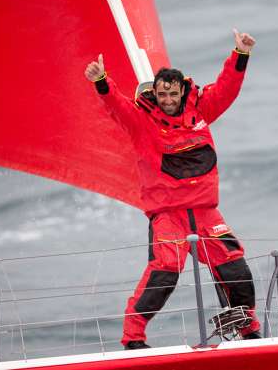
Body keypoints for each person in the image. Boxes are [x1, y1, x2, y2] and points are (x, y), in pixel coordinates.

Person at [84, 29, 260, 349]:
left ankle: (249, 330)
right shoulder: (142, 122)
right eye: (162, 95)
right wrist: (101, 81)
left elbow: (226, 89)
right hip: (168, 216)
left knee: (235, 264)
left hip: (206, 213)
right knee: (165, 271)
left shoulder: (201, 111)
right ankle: (133, 338)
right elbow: (117, 107)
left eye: (172, 94)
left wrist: (240, 54)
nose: (167, 100)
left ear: (181, 92)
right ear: (156, 94)